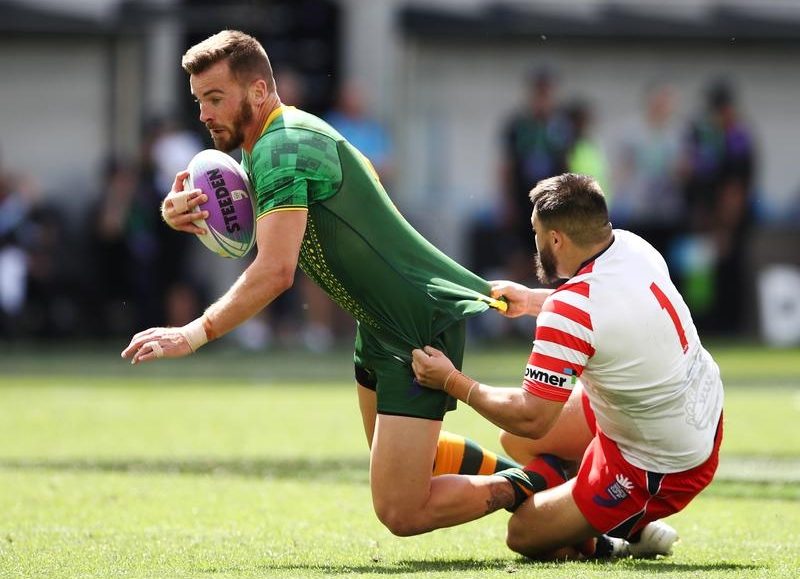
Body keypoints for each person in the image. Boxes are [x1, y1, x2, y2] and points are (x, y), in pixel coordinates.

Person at [120, 30, 538, 536]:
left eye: (214, 98)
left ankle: (542, 486)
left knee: (401, 510)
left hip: (414, 320)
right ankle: (553, 495)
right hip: (380, 319)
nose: (204, 114)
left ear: (257, 91)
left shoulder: (281, 147)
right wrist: (180, 211)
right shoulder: (269, 141)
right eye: (199, 102)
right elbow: (248, 216)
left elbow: (275, 271)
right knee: (402, 460)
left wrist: (192, 334)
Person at [411, 173, 724, 559]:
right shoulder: (632, 246)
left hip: (662, 464)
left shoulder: (570, 309)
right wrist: (532, 301)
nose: (535, 241)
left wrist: (451, 380)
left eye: (536, 232)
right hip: (694, 410)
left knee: (523, 532)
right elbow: (610, 309)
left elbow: (531, 417)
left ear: (556, 239)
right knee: (516, 443)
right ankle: (580, 503)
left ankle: (620, 530)